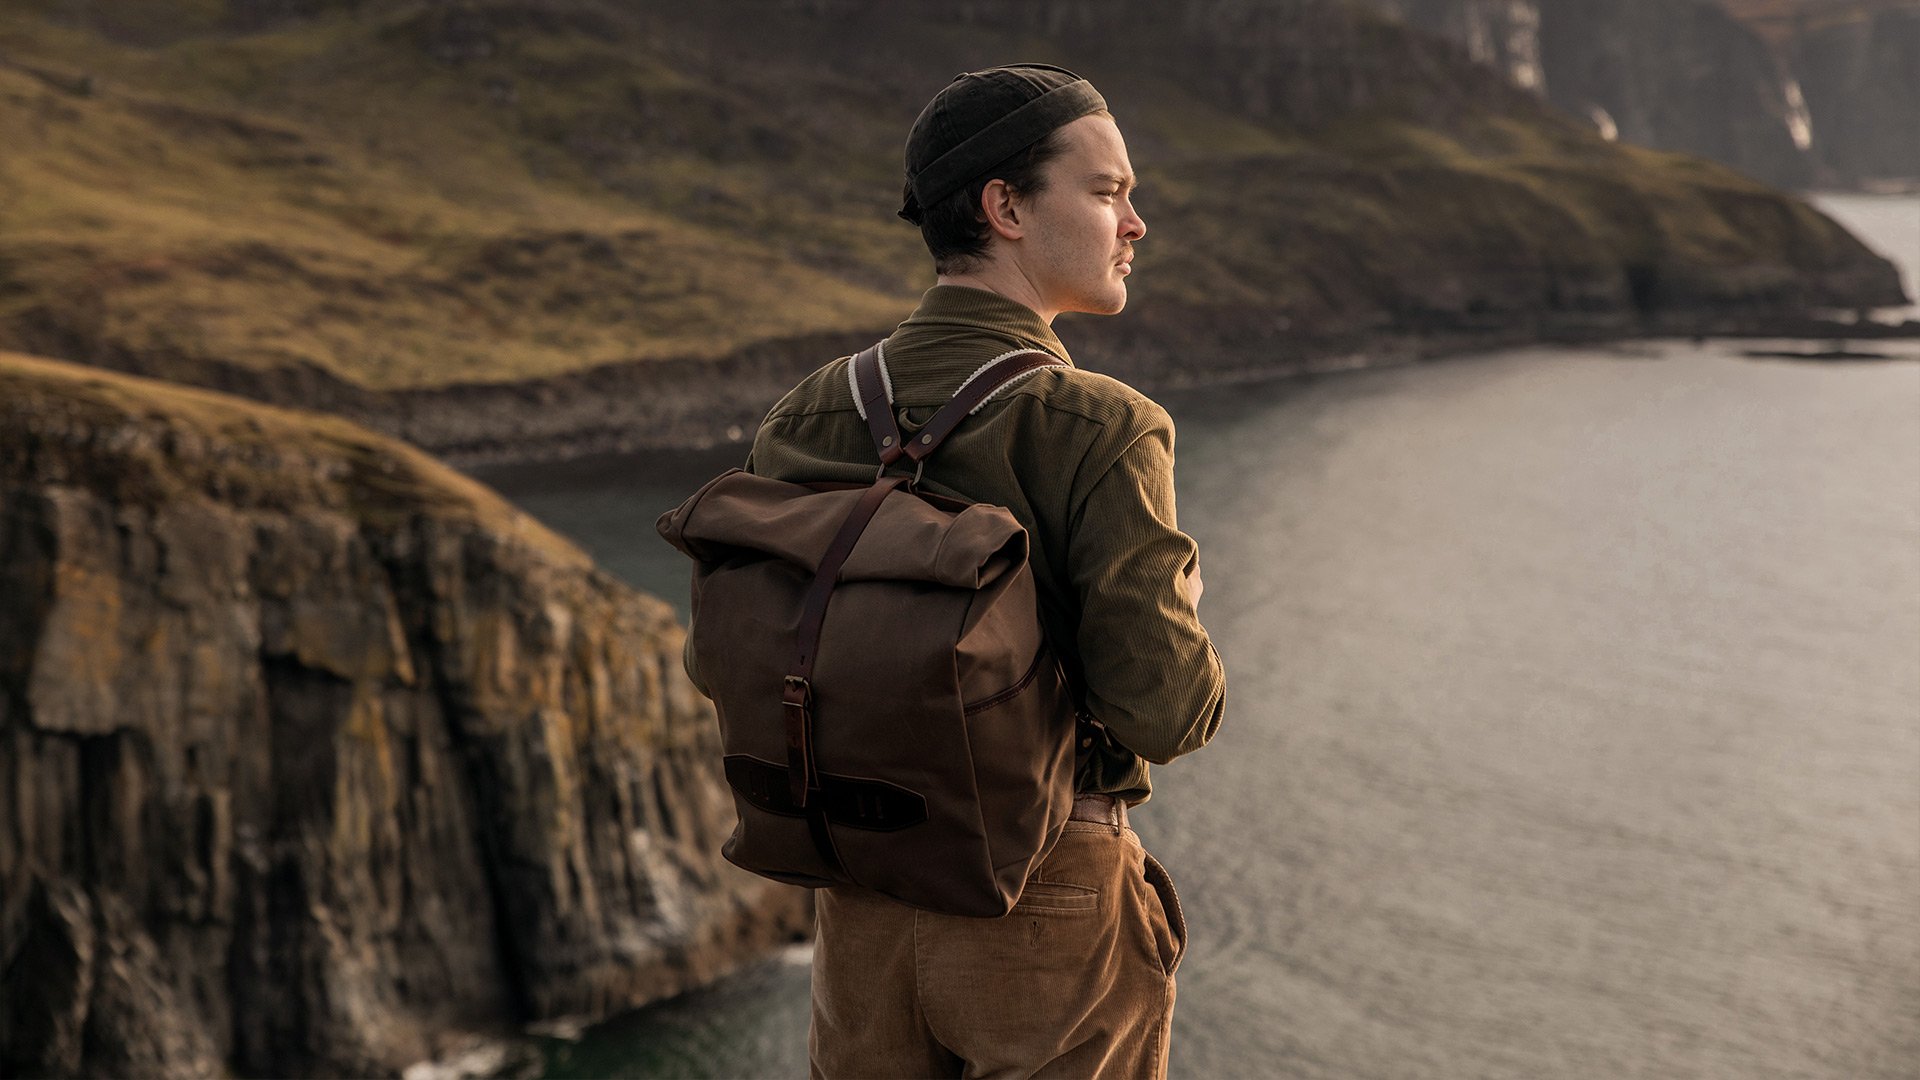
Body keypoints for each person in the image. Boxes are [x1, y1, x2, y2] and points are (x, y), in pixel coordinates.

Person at [741, 63, 1227, 1079]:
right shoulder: (1103, 425)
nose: (1135, 223)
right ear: (1003, 206)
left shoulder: (806, 413)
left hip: (861, 897)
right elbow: (1165, 713)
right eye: (1106, 192)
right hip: (1042, 896)